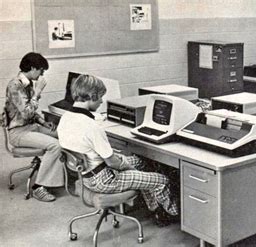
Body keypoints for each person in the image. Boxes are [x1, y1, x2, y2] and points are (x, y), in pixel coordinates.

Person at [56, 74, 179, 227]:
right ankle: (170, 214)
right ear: (92, 96)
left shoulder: (65, 118)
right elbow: (112, 162)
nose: (101, 101)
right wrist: (130, 168)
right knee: (162, 180)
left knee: (142, 161)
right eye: (100, 97)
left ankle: (154, 207)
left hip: (86, 174)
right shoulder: (91, 126)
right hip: (104, 180)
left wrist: (131, 166)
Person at [2, 52, 64, 202]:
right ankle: (39, 187)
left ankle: (56, 176)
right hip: (18, 133)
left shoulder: (26, 84)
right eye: (41, 70)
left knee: (61, 135)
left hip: (30, 127)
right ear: (32, 68)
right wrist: (37, 92)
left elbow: (29, 113)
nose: (42, 74)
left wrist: (43, 122)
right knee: (55, 146)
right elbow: (27, 112)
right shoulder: (15, 85)